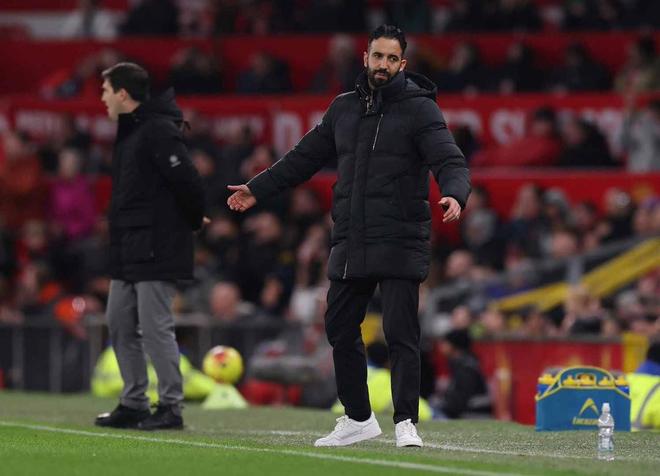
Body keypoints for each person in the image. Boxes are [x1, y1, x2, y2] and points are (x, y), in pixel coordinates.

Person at [227, 25, 471, 448]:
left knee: (400, 332)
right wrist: (257, 189)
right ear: (365, 57)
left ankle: (406, 421)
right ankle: (359, 417)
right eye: (378, 56)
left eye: (391, 59)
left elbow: (449, 159)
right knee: (339, 325)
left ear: (402, 64)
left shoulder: (420, 109)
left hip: (400, 235)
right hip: (353, 236)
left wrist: (454, 193)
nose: (383, 65)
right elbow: (303, 158)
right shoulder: (343, 108)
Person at [94, 63, 206, 430]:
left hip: (156, 244)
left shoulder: (156, 130)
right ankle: (134, 402)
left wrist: (193, 219)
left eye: (106, 90)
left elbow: (188, 181)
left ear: (123, 94)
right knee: (119, 322)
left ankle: (171, 406)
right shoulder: (132, 132)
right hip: (128, 245)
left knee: (155, 327)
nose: (102, 98)